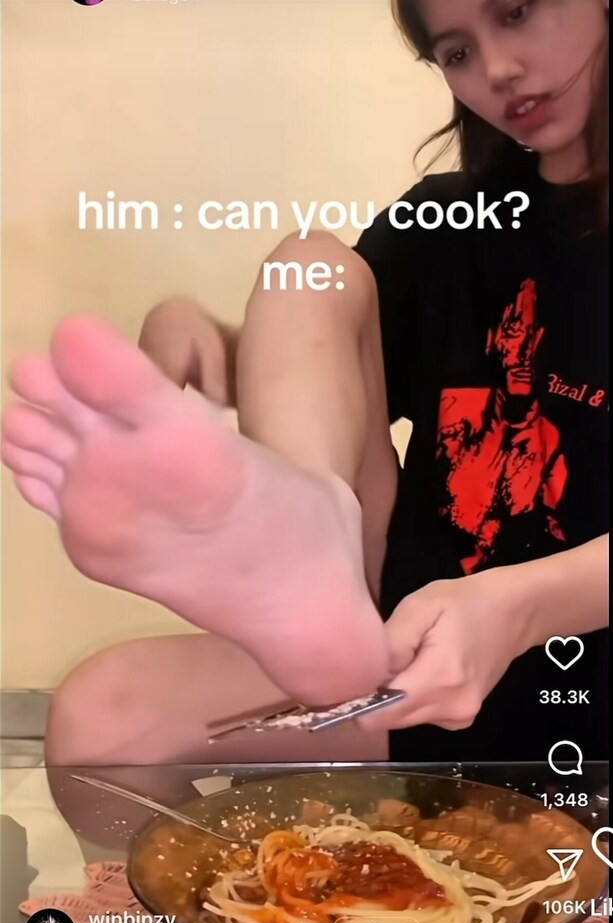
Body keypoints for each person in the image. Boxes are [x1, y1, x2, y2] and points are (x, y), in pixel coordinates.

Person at [2, 0, 608, 769]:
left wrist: (519, 608)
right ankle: (312, 531)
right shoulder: (452, 221)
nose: (495, 69)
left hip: (579, 685)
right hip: (393, 660)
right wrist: (209, 345)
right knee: (308, 266)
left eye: (515, 13)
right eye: (455, 52)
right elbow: (327, 375)